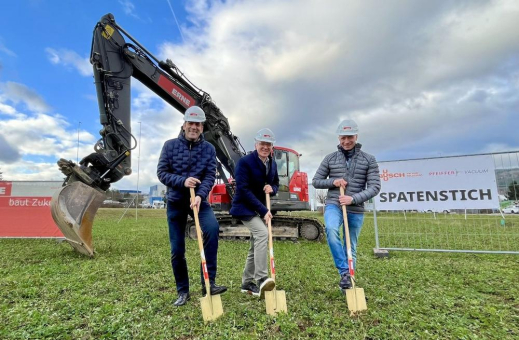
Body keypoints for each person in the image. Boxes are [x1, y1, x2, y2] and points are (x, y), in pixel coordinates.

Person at [157, 105, 227, 307]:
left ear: (202, 127)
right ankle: (183, 291)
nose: (194, 127)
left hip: (199, 201)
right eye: (191, 123)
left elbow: (209, 176)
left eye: (198, 124)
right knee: (177, 249)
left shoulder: (209, 149)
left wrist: (200, 195)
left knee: (212, 229)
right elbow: (161, 173)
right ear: (184, 125)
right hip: (176, 202)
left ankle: (208, 283)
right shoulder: (169, 146)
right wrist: (182, 181)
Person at [312, 119, 380, 291]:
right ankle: (345, 273)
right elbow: (316, 181)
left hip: (355, 209)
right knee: (332, 230)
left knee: (351, 246)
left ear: (356, 136)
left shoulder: (369, 160)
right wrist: (333, 181)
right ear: (339, 138)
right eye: (343, 138)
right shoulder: (330, 158)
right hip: (334, 204)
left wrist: (353, 199)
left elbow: (375, 187)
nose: (346, 141)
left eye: (349, 137)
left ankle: (347, 289)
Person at [230, 128, 279, 298]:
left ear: (272, 147)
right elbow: (243, 190)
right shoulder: (245, 162)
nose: (265, 147)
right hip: (244, 207)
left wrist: (271, 188)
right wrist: (264, 210)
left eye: (268, 144)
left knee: (254, 245)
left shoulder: (272, 162)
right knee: (262, 233)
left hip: (258, 206)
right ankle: (261, 278)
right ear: (256, 144)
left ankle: (246, 282)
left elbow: (276, 184)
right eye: (262, 143)